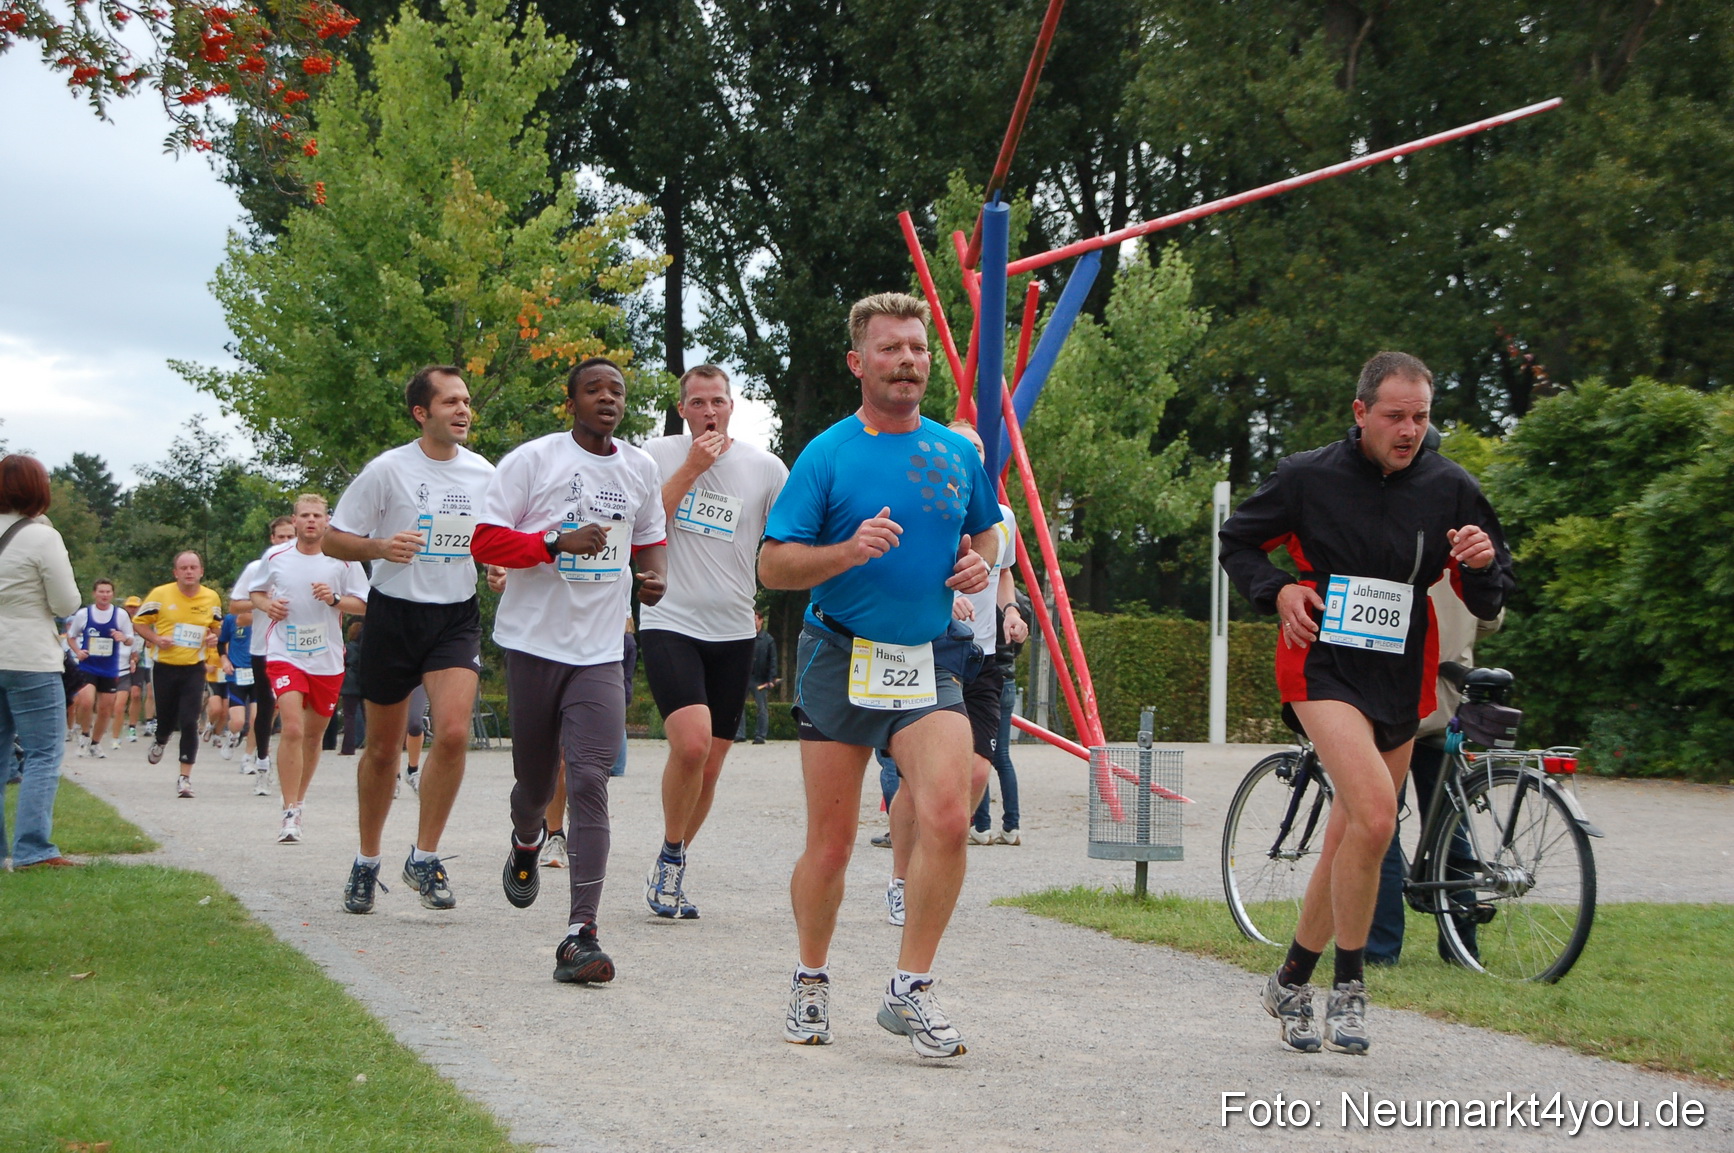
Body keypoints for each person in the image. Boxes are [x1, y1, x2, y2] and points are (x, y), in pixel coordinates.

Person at [1219, 350, 1514, 1056]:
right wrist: (1281, 590)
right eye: (1395, 416)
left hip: (1399, 674)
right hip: (1321, 661)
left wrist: (1479, 566)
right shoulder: (1307, 476)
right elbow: (1237, 542)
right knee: (1379, 814)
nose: (1410, 430)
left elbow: (1492, 589)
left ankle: (1291, 978)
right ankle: (1349, 986)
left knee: (1353, 830)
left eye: (1420, 417)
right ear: (1360, 413)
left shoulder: (1451, 487)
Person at [759, 292, 999, 1058]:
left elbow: (988, 535)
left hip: (927, 662)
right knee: (830, 845)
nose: (908, 361)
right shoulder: (828, 453)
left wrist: (977, 563)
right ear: (859, 363)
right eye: (892, 349)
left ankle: (911, 988)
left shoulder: (955, 452)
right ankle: (810, 977)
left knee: (950, 813)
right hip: (840, 656)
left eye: (919, 350)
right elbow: (772, 563)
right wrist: (847, 550)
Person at [471, 356, 667, 983]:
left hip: (602, 650)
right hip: (533, 644)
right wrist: (553, 543)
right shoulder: (534, 461)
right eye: (594, 389)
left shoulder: (639, 468)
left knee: (588, 777)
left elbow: (650, 537)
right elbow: (483, 540)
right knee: (534, 785)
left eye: (617, 390)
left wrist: (654, 575)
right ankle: (527, 838)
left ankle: (581, 932)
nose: (608, 398)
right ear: (571, 401)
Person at [323, 364, 500, 912]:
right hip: (394, 615)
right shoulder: (388, 470)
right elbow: (332, 539)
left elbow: (494, 539)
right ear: (422, 413)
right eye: (450, 402)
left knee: (450, 733)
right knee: (380, 748)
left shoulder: (484, 474)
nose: (464, 410)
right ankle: (367, 860)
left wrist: (498, 566)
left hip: (454, 617)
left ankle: (424, 857)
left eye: (467, 401)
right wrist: (380, 548)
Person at [639, 364, 789, 920]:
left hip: (734, 629)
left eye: (718, 401)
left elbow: (788, 537)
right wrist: (692, 467)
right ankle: (672, 861)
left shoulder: (766, 468)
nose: (709, 411)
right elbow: (642, 525)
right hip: (669, 618)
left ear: (732, 406)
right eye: (697, 402)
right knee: (693, 743)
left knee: (712, 762)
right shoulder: (655, 457)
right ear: (682, 409)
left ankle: (671, 859)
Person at [882, 420, 1020, 927]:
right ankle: (901, 879)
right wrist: (951, 599)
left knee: (979, 770)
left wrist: (1010, 611)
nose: (971, 453)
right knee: (919, 783)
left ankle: (937, 861)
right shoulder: (922, 502)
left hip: (984, 656)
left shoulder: (1001, 515)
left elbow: (1001, 573)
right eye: (963, 446)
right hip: (937, 651)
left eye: (979, 448)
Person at [1367, 561, 1503, 965]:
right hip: (1452, 694)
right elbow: (1490, 618)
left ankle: (1380, 948)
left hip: (1395, 693)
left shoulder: (1393, 543)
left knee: (1377, 821)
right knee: (1450, 822)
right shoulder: (1466, 549)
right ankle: (1462, 947)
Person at [252, 494, 369, 844]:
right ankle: (288, 809)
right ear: (295, 520)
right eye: (304, 516)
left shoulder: (343, 560)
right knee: (291, 728)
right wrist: (268, 606)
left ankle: (299, 801)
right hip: (285, 652)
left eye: (317, 515)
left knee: (314, 734)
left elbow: (364, 605)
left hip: (326, 657)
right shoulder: (275, 556)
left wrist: (334, 600)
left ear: (327, 520)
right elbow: (256, 593)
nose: (311, 521)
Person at [0, 454, 83, 869]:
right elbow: (66, 602)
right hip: (29, 655)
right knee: (43, 753)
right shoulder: (42, 537)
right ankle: (33, 848)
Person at [134, 551, 225, 797]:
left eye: (193, 567)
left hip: (194, 668)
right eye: (183, 568)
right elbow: (138, 623)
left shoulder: (211, 597)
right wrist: (155, 638)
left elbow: (216, 628)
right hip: (165, 665)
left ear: (201, 571)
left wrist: (212, 637)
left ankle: (185, 778)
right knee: (166, 719)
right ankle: (161, 738)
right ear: (175, 573)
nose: (188, 572)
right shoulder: (160, 594)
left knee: (189, 721)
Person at [231, 515, 296, 784]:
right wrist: (263, 602)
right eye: (280, 537)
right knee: (266, 706)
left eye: (289, 536)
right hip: (263, 646)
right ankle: (261, 760)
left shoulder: (311, 565)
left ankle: (293, 763)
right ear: (272, 539)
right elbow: (235, 606)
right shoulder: (258, 567)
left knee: (293, 707)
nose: (285, 541)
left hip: (297, 647)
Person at [974, 591, 1031, 844]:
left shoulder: (982, 595)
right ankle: (1012, 826)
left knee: (979, 752)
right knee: (1003, 757)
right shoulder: (1018, 603)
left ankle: (982, 825)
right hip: (1008, 677)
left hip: (985, 677)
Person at [65, 578, 136, 759]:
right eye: (101, 592)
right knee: (86, 702)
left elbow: (130, 639)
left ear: (112, 594)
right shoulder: (84, 614)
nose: (104, 595)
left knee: (105, 709)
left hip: (110, 668)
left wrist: (123, 638)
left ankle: (96, 743)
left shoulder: (120, 615)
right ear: (94, 593)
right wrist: (78, 651)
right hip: (88, 665)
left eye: (108, 592)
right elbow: (71, 637)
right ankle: (84, 736)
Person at [734, 612, 778, 744]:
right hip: (744, 678)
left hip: (761, 679)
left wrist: (771, 679)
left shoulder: (768, 639)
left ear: (761, 621)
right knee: (738, 707)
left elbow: (773, 660)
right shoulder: (745, 637)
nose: (752, 622)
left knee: (761, 708)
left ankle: (760, 735)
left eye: (754, 619)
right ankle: (740, 734)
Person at [119, 595, 149, 742]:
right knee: (119, 696)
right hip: (121, 661)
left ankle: (132, 727)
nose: (132, 610)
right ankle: (117, 726)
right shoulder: (120, 622)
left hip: (139, 661)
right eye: (130, 607)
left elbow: (149, 643)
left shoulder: (144, 623)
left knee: (136, 694)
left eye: (135, 607)